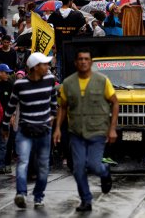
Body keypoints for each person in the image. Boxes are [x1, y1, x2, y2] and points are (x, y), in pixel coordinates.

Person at [54, 49, 118, 213]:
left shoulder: (102, 81)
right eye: (80, 59)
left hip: (97, 131)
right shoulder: (68, 83)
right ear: (76, 62)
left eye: (86, 59)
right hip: (76, 132)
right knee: (78, 167)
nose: (83, 62)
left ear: (91, 62)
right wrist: (57, 129)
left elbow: (115, 102)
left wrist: (112, 129)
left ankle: (105, 172)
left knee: (94, 165)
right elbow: (62, 106)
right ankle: (86, 200)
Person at [2, 52, 57, 209]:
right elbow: (11, 106)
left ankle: (38, 196)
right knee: (23, 162)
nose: (47, 67)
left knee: (43, 166)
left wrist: (53, 118)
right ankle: (21, 193)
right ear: (35, 67)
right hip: (25, 130)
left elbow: (53, 103)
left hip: (44, 130)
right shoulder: (20, 85)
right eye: (44, 64)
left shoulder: (50, 80)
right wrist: (5, 125)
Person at [47, 0, 86, 80]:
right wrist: (76, 9)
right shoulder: (77, 15)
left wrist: (54, 45)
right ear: (70, 2)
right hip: (73, 46)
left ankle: (61, 84)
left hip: (59, 45)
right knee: (72, 67)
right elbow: (84, 25)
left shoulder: (54, 15)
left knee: (60, 67)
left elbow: (49, 28)